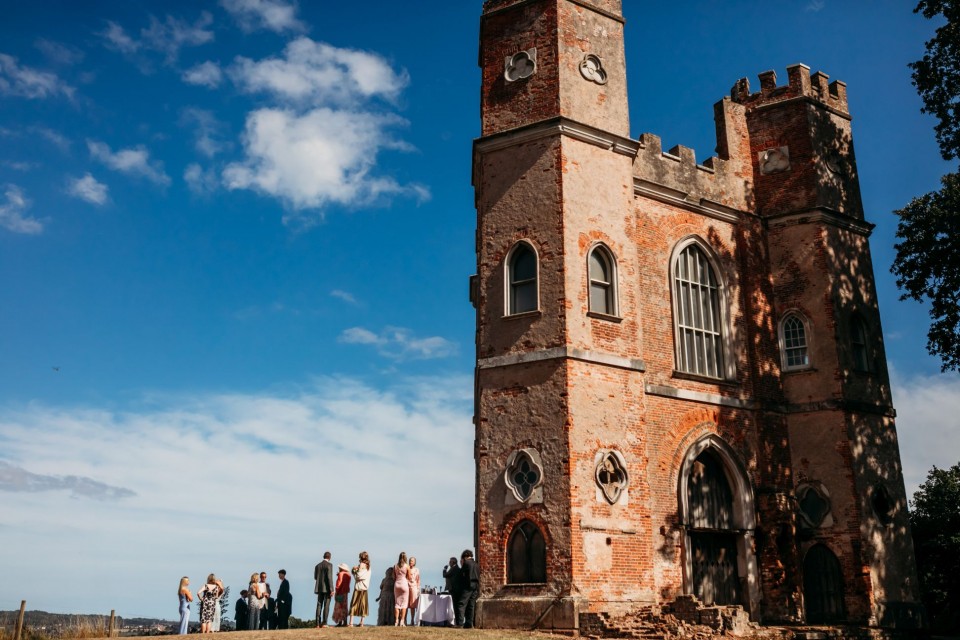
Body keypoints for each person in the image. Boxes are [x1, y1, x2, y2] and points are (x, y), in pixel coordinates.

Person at [349, 551, 371, 627]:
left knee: (354, 603)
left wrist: (353, 571)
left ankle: (351, 622)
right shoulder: (369, 566)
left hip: (359, 587)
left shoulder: (362, 565)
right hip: (365, 587)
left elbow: (359, 576)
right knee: (363, 605)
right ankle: (362, 622)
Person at [459, 549, 480, 629]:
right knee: (471, 605)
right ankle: (469, 623)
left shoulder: (466, 563)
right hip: (476, 586)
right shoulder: (476, 564)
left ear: (465, 557)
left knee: (461, 604)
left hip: (468, 585)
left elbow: (462, 574)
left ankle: (460, 623)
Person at [314, 551, 334, 628]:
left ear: (323, 556)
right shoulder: (329, 565)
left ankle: (317, 624)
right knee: (326, 605)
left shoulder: (317, 566)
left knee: (319, 604)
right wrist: (331, 589)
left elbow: (316, 577)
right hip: (327, 588)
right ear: (330, 557)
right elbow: (329, 578)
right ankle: (325, 623)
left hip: (319, 588)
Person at [393, 552, 411, 626]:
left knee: (397, 604)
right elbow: (409, 577)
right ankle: (402, 621)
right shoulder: (407, 566)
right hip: (404, 584)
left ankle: (396, 621)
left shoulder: (395, 566)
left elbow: (393, 576)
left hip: (397, 584)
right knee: (404, 604)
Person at [407, 556, 421, 625]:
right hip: (407, 587)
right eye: (410, 560)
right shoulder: (407, 568)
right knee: (406, 604)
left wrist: (418, 588)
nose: (410, 562)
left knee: (413, 605)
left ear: (414, 562)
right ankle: (404, 620)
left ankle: (413, 620)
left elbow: (418, 580)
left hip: (414, 587)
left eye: (412, 561)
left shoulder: (416, 570)